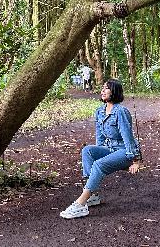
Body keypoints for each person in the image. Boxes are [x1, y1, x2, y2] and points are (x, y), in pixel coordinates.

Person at [60, 78, 141, 219]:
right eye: (102, 88)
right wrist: (101, 153)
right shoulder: (100, 111)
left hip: (124, 152)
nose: (102, 91)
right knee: (87, 151)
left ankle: (80, 204)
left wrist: (136, 160)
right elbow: (100, 138)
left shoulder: (121, 111)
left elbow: (128, 137)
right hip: (110, 148)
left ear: (114, 92)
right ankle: (93, 195)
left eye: (107, 88)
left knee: (99, 165)